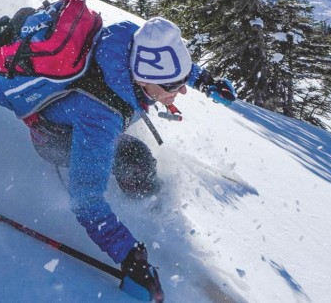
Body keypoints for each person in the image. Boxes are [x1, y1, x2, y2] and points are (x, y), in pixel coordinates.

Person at [23, 17, 236, 302]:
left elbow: (168, 62)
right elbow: (85, 199)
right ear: (145, 79)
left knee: (135, 158)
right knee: (136, 160)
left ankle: (145, 201)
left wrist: (205, 81)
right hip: (56, 141)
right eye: (173, 86)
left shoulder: (130, 40)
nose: (180, 92)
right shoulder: (101, 115)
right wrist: (127, 254)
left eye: (181, 82)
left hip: (78, 117)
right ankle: (149, 212)